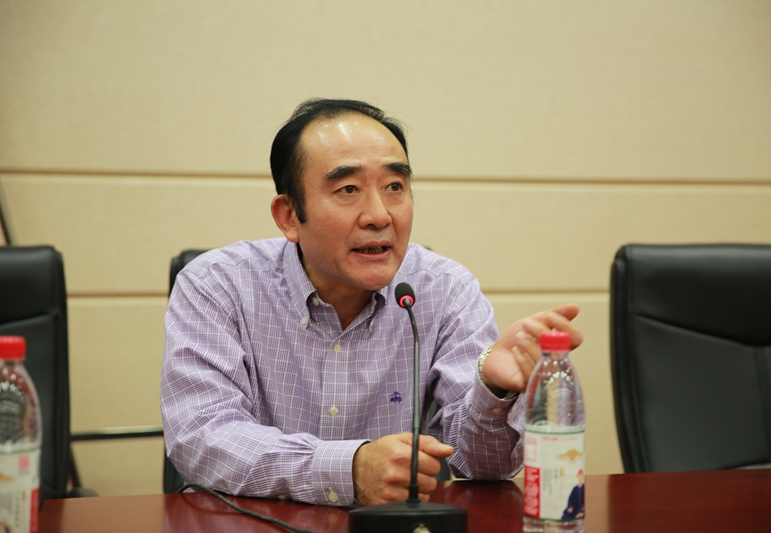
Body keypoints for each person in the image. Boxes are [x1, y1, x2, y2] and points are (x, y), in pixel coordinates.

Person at [160, 98, 583, 507]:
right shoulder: (218, 285)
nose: (379, 215)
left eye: (395, 187)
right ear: (289, 216)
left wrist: (492, 392)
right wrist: (350, 469)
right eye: (348, 189)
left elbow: (484, 467)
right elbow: (202, 437)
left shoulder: (445, 289)